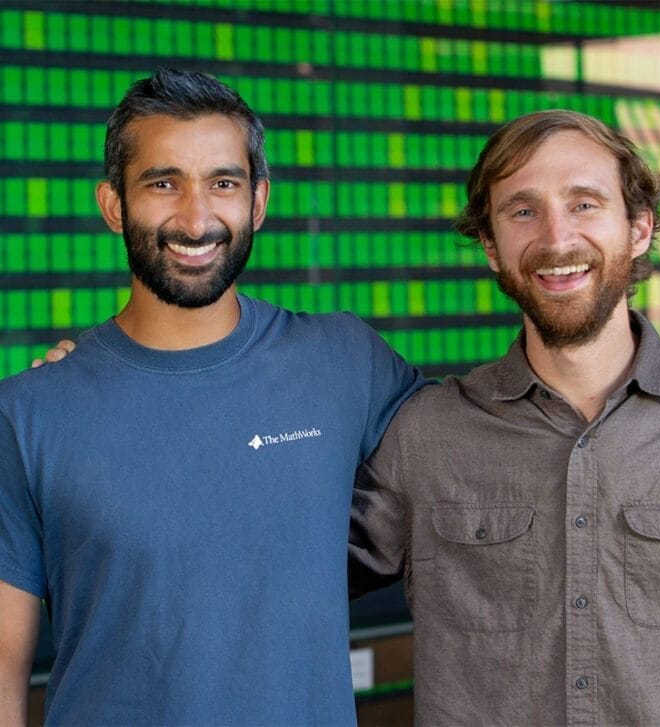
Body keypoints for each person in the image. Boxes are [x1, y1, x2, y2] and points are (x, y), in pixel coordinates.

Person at [0, 69, 426, 726]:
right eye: (162, 182)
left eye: (222, 183)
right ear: (113, 204)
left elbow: (490, 451)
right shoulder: (28, 412)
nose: (196, 218)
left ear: (257, 202)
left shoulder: (347, 363)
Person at [350, 110, 660, 725]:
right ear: (492, 248)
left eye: (584, 204)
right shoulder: (424, 434)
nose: (556, 239)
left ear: (638, 229)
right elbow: (283, 588)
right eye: (523, 211)